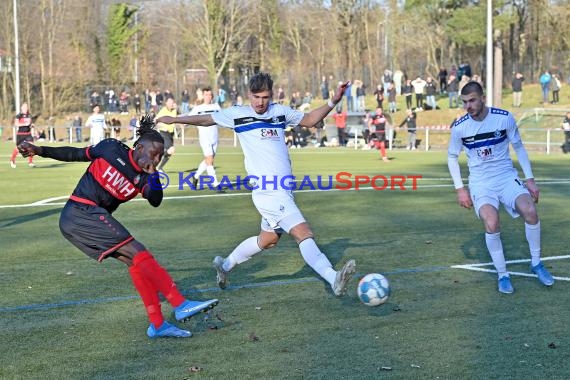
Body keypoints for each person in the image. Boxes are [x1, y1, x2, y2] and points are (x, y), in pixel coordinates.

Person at [16, 115, 218, 338]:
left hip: (88, 218)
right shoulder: (111, 148)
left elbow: (155, 200)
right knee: (138, 251)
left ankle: (158, 325)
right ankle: (180, 304)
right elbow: (75, 153)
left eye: (160, 156)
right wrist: (39, 149)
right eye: (154, 153)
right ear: (139, 147)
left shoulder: (144, 177)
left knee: (136, 262)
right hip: (79, 211)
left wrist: (153, 176)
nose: (157, 158)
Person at [157, 72, 356, 297]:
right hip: (267, 191)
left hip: (283, 188)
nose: (260, 102)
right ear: (248, 94)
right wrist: (174, 120)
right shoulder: (237, 114)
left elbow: (310, 120)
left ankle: (225, 265)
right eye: (256, 97)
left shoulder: (279, 112)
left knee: (268, 239)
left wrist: (333, 101)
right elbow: (207, 119)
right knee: (303, 232)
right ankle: (333, 278)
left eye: (265, 97)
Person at [447, 81, 555, 294]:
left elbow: (518, 147)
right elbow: (452, 156)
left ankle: (536, 263)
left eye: (472, 100)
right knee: (492, 221)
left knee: (530, 211)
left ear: (483, 97)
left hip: (506, 177)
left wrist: (530, 179)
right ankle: (503, 274)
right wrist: (460, 188)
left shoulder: (504, 118)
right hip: (481, 182)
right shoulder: (460, 128)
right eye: (464, 102)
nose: (468, 106)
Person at [187, 87, 223, 192]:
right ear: (203, 96)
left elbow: (222, 118)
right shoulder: (198, 108)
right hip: (204, 138)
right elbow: (189, 119)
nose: (208, 97)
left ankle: (195, 176)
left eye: (210, 95)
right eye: (206, 95)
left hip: (215, 137)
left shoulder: (216, 106)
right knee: (210, 161)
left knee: (208, 160)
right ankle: (216, 184)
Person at [10, 102, 36, 168]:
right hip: (20, 134)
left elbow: (30, 123)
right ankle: (12, 160)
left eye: (26, 107)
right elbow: (16, 124)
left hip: (28, 134)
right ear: (21, 108)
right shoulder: (18, 116)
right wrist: (24, 124)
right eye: (24, 107)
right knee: (19, 149)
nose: (25, 108)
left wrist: (32, 125)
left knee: (31, 147)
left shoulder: (29, 115)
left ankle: (30, 162)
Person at [155, 97, 178, 172]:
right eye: (170, 103)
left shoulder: (174, 110)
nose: (171, 104)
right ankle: (157, 162)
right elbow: (156, 120)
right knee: (171, 149)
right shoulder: (163, 111)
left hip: (171, 134)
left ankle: (159, 167)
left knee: (169, 153)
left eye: (172, 102)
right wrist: (161, 126)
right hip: (164, 133)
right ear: (166, 103)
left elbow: (177, 118)